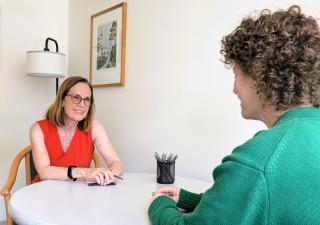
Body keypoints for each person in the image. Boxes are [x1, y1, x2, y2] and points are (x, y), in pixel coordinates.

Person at [148, 5, 320, 225]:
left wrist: (159, 204)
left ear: (259, 76)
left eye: (236, 75)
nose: (234, 88)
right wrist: (188, 199)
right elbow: (261, 204)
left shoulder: (260, 160)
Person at [30, 76, 123, 185]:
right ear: (62, 100)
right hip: (45, 192)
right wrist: (82, 171)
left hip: (80, 191)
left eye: (87, 99)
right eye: (76, 97)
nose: (82, 104)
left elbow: (115, 161)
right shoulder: (38, 129)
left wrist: (110, 175)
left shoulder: (94, 126)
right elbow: (44, 172)